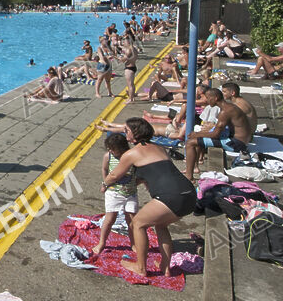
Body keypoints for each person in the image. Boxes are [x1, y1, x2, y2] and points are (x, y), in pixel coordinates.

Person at [103, 118, 196, 278]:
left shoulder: (131, 154)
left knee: (138, 223)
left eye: (127, 130)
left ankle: (141, 267)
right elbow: (153, 174)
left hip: (170, 196)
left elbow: (114, 175)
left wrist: (105, 183)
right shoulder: (159, 148)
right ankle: (165, 268)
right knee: (160, 225)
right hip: (189, 194)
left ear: (135, 133)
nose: (125, 133)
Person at [184, 88, 252, 180]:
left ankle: (189, 177)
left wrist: (197, 134)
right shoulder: (229, 107)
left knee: (190, 143)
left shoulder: (225, 112)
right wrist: (200, 134)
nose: (207, 100)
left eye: (208, 98)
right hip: (240, 140)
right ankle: (195, 167)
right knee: (198, 139)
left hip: (236, 143)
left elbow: (215, 134)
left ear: (215, 98)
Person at [91, 134, 140, 256]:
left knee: (132, 220)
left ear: (122, 148)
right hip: (113, 192)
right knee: (110, 218)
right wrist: (105, 183)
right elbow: (104, 169)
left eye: (113, 149)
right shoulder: (108, 156)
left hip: (131, 192)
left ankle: (133, 243)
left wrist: (138, 182)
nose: (110, 151)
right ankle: (102, 242)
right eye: (109, 148)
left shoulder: (131, 156)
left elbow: (138, 172)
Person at [119, 40, 138, 104]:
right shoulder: (134, 49)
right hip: (134, 66)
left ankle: (131, 99)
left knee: (130, 85)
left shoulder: (129, 50)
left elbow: (123, 60)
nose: (123, 43)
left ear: (128, 42)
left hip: (129, 68)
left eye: (124, 42)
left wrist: (115, 57)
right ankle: (133, 97)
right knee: (132, 84)